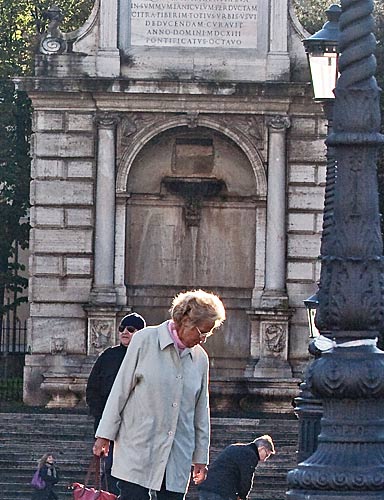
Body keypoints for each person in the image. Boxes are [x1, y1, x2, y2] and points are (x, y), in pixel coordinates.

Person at [92, 289, 226, 500]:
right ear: (186, 322)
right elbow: (120, 390)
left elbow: (201, 410)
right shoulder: (144, 340)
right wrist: (104, 436)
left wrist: (201, 457)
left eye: (208, 334)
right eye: (202, 332)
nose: (204, 339)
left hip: (177, 450)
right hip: (138, 446)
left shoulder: (200, 358)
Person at [86, 312, 146, 494]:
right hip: (110, 425)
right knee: (111, 469)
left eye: (131, 329)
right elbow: (92, 389)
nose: (125, 332)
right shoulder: (108, 356)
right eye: (122, 329)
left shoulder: (147, 357)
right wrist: (102, 416)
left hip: (138, 426)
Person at [197, 435, 275, 500]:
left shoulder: (236, 447)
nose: (264, 459)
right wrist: (242, 496)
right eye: (266, 455)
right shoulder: (251, 455)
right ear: (261, 449)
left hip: (206, 488)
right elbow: (246, 478)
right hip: (221, 492)